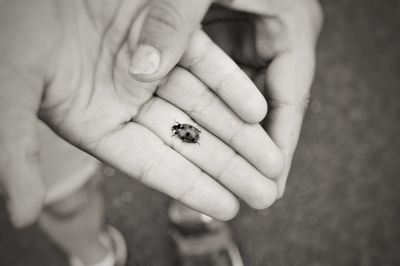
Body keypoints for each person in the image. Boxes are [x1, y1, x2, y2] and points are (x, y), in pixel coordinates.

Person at [0, 0, 322, 265]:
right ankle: (92, 252)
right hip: (44, 61)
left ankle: (197, 212)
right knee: (65, 195)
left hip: (173, 23)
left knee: (217, 113)